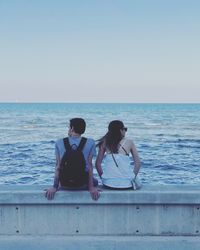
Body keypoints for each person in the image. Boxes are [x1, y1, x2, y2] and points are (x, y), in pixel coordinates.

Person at [45, 118, 100, 200]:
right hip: (82, 184)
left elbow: (58, 166)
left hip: (64, 184)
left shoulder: (59, 142)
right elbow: (89, 166)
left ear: (72, 128)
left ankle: (59, 184)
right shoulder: (90, 142)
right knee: (95, 181)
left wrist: (54, 187)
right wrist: (91, 188)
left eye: (69, 127)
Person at [95, 120, 141, 189]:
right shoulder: (129, 142)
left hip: (108, 184)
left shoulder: (105, 142)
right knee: (138, 180)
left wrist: (104, 178)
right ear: (120, 130)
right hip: (127, 184)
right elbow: (138, 163)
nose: (125, 131)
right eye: (124, 129)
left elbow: (97, 164)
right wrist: (132, 177)